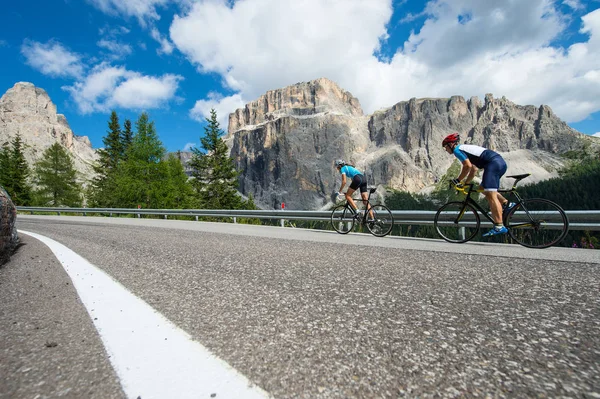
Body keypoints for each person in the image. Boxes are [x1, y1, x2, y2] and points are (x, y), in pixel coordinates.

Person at [442, 133, 514, 237]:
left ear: (451, 144)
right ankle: (506, 204)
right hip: (499, 163)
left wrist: (458, 180)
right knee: (482, 189)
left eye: (445, 147)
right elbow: (474, 169)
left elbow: (467, 166)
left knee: (491, 195)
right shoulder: (465, 149)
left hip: (493, 164)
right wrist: (466, 183)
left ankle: (499, 226)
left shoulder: (457, 150)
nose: (445, 149)